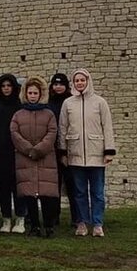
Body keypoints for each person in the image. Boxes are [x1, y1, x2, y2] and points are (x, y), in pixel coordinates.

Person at [58, 68, 116, 237]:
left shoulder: (100, 102)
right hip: (75, 154)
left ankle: (98, 223)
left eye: (82, 80)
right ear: (73, 83)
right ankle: (82, 223)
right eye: (77, 81)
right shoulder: (68, 103)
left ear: (88, 81)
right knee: (79, 192)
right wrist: (63, 152)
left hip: (96, 154)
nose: (80, 83)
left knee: (97, 192)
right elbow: (63, 128)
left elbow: (107, 127)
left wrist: (109, 151)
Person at [11, 77, 60, 237]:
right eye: (30, 93)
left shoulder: (48, 114)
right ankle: (34, 226)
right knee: (30, 194)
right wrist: (27, 149)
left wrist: (39, 149)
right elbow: (15, 133)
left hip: (44, 158)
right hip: (26, 158)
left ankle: (49, 226)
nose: (32, 95)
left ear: (40, 94)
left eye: (35, 93)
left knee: (46, 195)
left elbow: (52, 133)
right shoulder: (18, 114)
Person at [0, 73, 25, 233]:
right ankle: (6, 218)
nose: (6, 89)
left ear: (14, 87)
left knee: (18, 188)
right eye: (3, 86)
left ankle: (20, 218)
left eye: (9, 86)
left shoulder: (20, 107)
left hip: (17, 154)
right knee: (4, 188)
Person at [47, 72, 73, 222]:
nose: (58, 87)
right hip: (53, 148)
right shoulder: (49, 103)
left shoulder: (72, 102)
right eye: (55, 84)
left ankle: (77, 217)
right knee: (53, 184)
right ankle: (53, 216)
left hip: (69, 148)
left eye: (61, 84)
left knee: (72, 184)